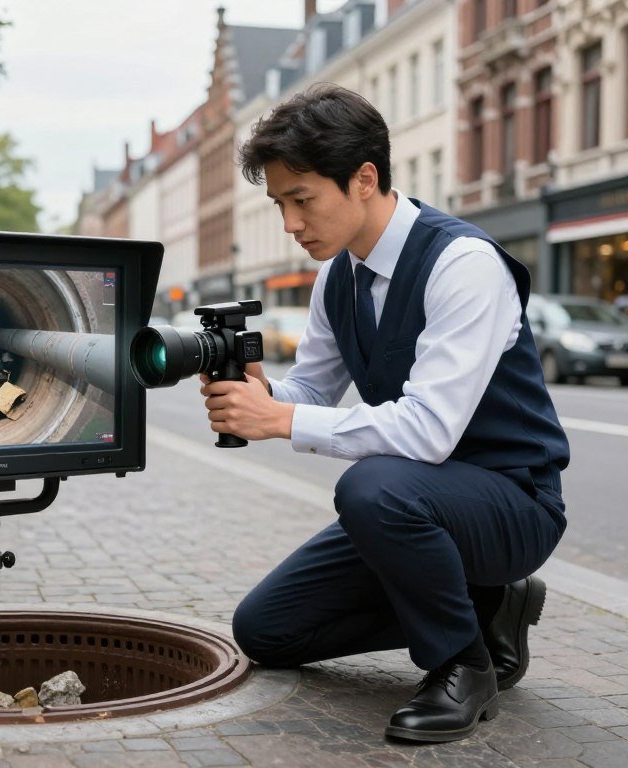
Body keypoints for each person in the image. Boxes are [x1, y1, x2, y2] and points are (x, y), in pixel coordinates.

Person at [200, 83, 569, 743]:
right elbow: (311, 391)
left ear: (364, 179)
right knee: (267, 630)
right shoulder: (338, 277)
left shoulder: (463, 264)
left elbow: (428, 431)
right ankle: (488, 602)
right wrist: (264, 394)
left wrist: (279, 422)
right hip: (415, 505)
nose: (290, 223)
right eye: (279, 203)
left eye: (302, 199)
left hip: (513, 501)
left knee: (369, 486)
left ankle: (462, 663)